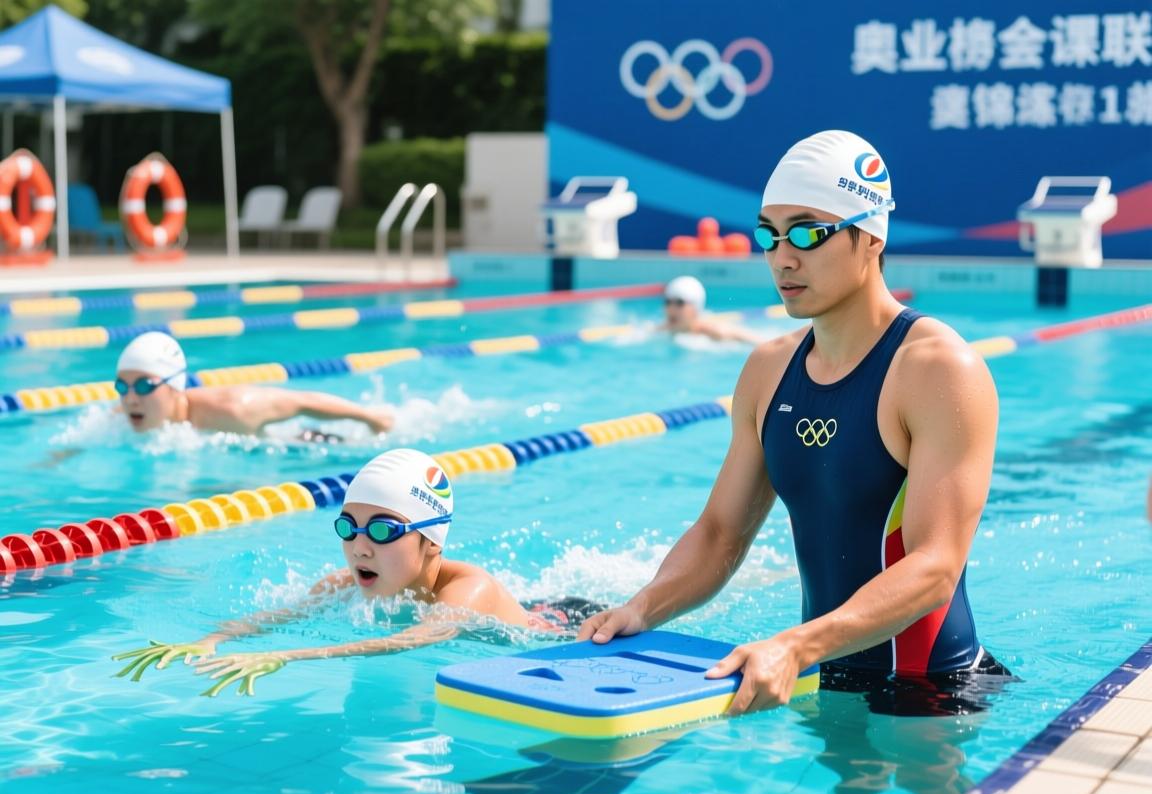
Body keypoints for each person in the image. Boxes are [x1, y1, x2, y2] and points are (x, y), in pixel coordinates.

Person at [580, 130, 1008, 717]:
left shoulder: (936, 369)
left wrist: (796, 645)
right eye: (769, 234)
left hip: (933, 689)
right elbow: (719, 534)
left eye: (808, 233)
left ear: (871, 235)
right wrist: (643, 607)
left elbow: (934, 566)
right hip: (817, 671)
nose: (783, 257)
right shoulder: (767, 370)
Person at [113, 448, 603, 696]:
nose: (359, 547)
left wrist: (292, 656)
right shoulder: (344, 582)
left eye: (383, 530)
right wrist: (213, 639)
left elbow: (414, 639)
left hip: (565, 625)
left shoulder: (469, 588)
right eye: (349, 526)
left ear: (432, 541)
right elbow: (280, 614)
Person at [114, 331, 393, 436]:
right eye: (122, 387)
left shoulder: (234, 408)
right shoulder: (120, 414)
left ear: (175, 386)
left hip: (299, 440)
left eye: (143, 386)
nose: (130, 399)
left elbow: (303, 401)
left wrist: (370, 417)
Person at [659, 275, 764, 344]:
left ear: (695, 307)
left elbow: (755, 340)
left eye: (679, 303)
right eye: (668, 302)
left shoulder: (714, 331)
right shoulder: (664, 329)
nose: (671, 308)